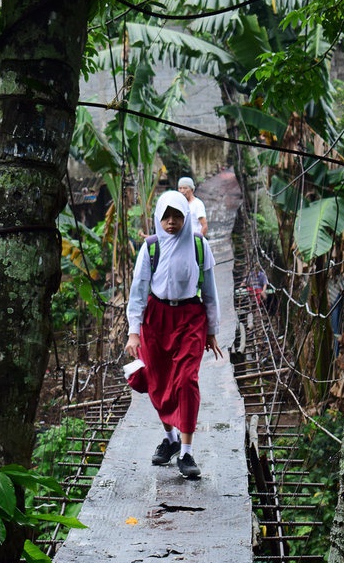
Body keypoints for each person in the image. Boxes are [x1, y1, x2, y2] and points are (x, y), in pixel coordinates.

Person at [124, 190, 222, 479]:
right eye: (165, 217)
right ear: (158, 218)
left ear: (185, 217)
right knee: (157, 382)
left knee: (187, 380)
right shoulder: (151, 247)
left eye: (177, 216)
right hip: (155, 320)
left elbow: (211, 292)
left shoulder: (199, 245)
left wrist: (212, 331)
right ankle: (170, 440)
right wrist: (133, 331)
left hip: (190, 318)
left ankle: (187, 452)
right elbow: (139, 290)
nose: (170, 222)